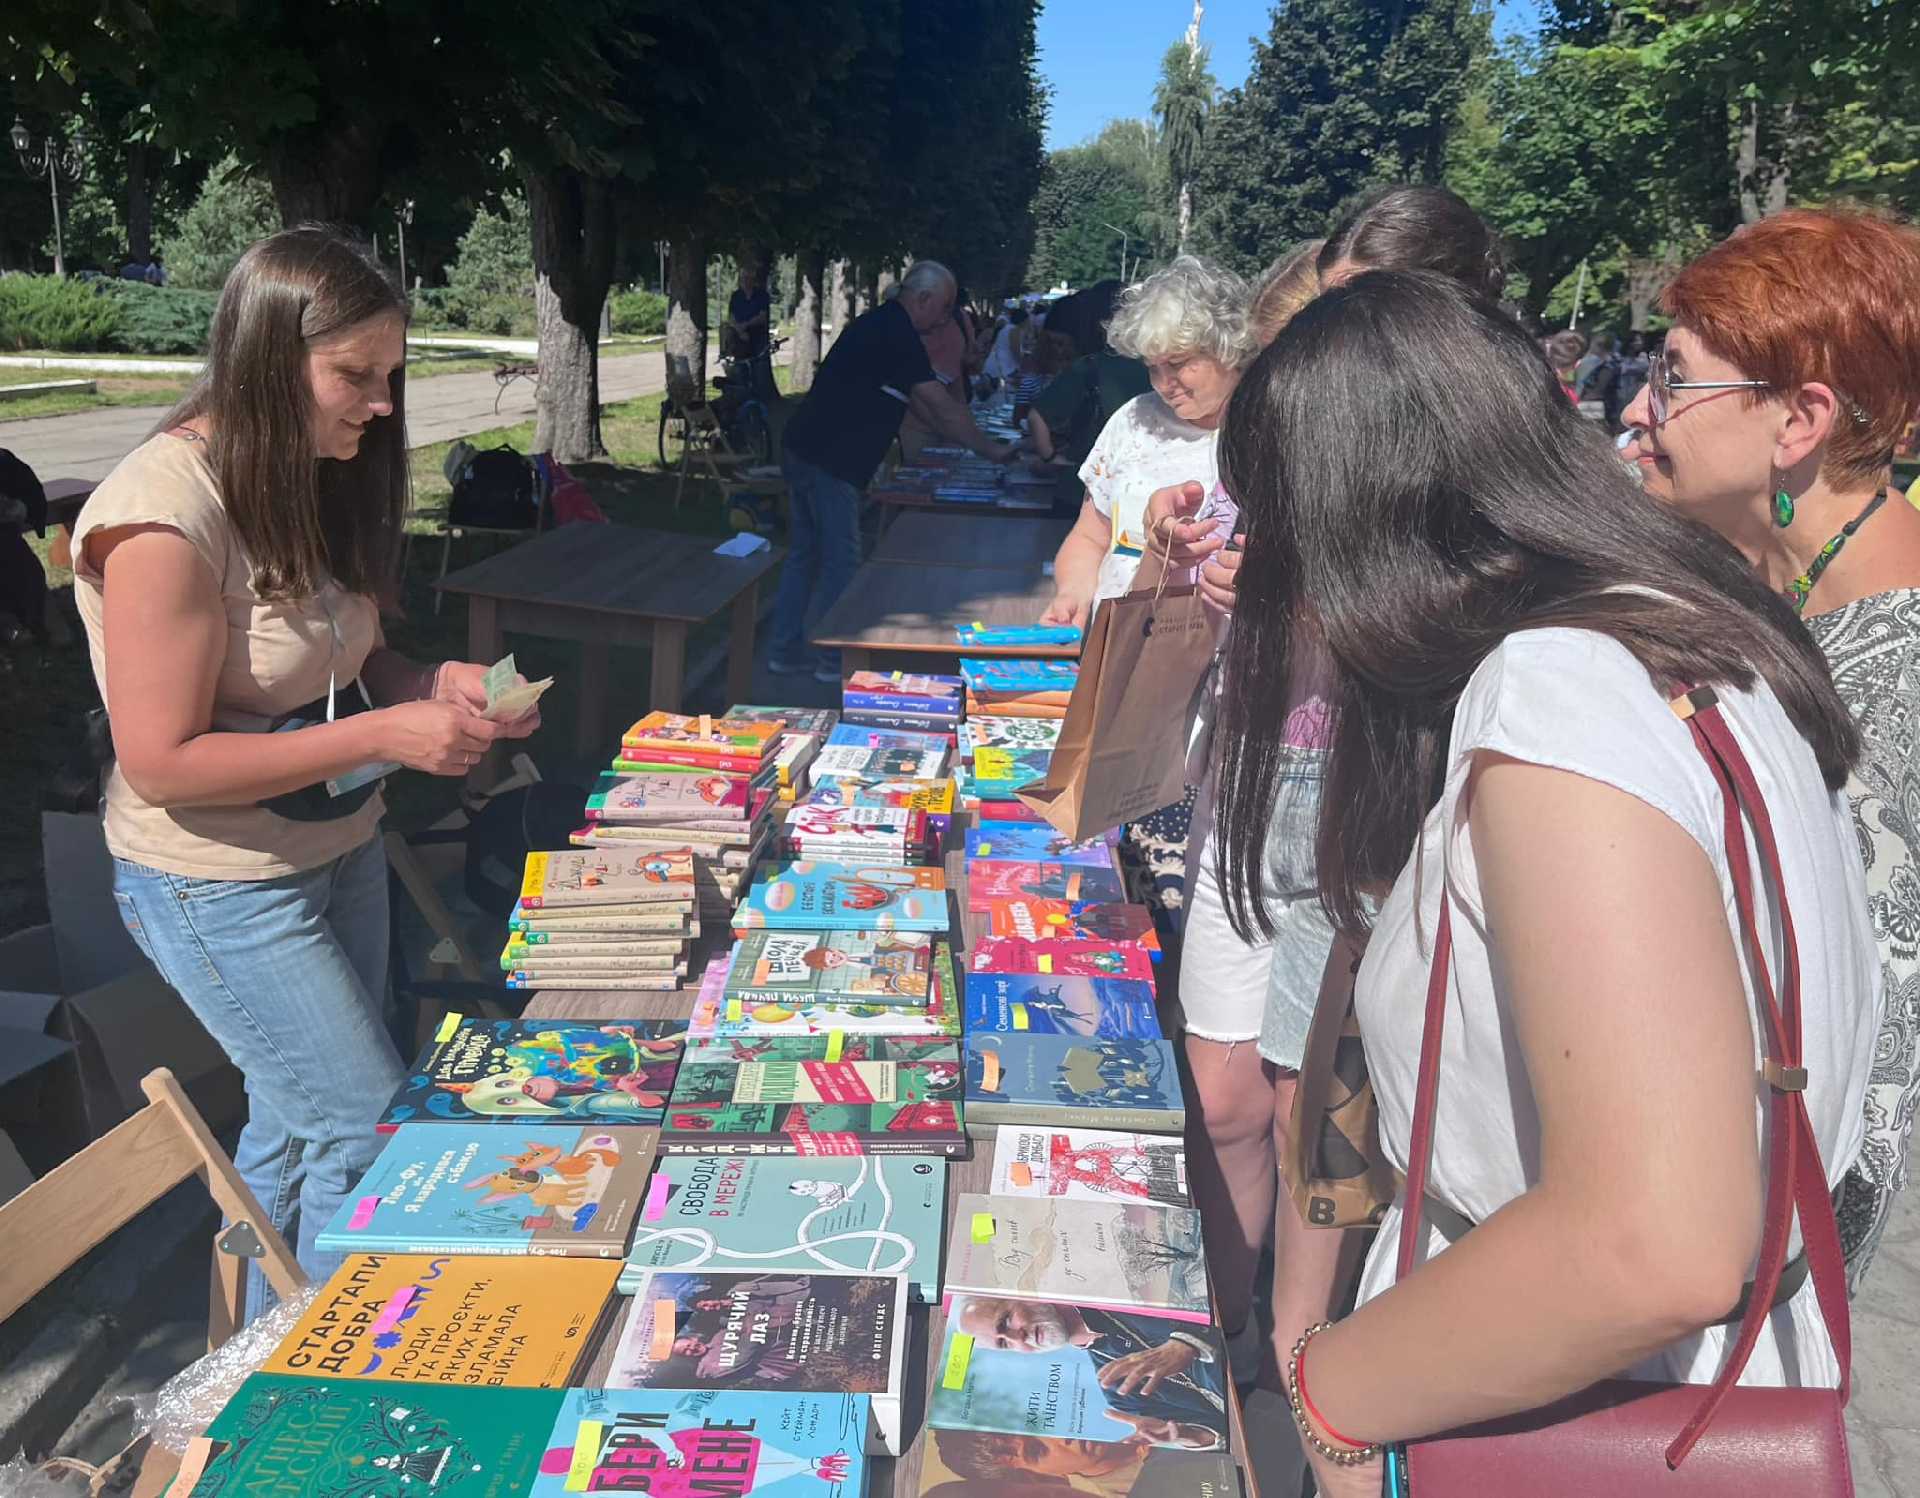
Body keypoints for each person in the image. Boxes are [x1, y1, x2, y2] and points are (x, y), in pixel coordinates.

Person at [1215, 268, 1877, 1497]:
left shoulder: (1559, 691)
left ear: (1362, 524)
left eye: (1286, 534)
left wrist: (1332, 1390)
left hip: (1554, 1408)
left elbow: (1651, 1242)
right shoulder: (1702, 631)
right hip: (1708, 1380)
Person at [70, 226, 540, 1316]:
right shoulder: (163, 517)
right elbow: (164, 760)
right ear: (269, 358)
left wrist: (431, 683)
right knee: (368, 1130)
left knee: (292, 1118)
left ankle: (244, 1368)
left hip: (333, 849)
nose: (380, 405)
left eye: (390, 377)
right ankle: (327, 1384)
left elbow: (347, 652)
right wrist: (384, 738)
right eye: (356, 376)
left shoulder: (304, 471)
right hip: (217, 883)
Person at [1135, 189, 1508, 1445]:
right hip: (1249, 781)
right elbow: (1166, 628)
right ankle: (1232, 1334)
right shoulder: (1287, 449)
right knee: (1229, 1091)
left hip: (1355, 794)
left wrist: (1288, 596)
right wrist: (1175, 562)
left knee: (1314, 1116)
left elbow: (1426, 650)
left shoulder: (1469, 465)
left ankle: (1295, 1380)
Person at [1621, 207, 1920, 1292]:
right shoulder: (1773, 577)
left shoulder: (1901, 666)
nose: (1636, 408)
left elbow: (1876, 1038)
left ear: (1799, 422)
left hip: (1759, 1241)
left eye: (1673, 379)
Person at [773, 259, 1014, 682]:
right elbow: (938, 406)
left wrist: (969, 438)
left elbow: (927, 406)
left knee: (806, 555)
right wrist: (992, 450)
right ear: (922, 299)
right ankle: (834, 661)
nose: (944, 321)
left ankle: (784, 650)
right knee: (840, 561)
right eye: (943, 310)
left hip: (806, 448)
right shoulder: (896, 333)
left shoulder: (884, 326)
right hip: (830, 460)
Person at [951, 1295, 1229, 1450]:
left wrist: (1188, 1344)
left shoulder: (1118, 1291)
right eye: (1004, 1343)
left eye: (1006, 1320)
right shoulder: (1118, 1393)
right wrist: (1186, 1435)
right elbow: (1224, 1428)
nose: (1018, 1336)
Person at [1024, 280, 1148, 515]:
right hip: (1137, 492)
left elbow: (1036, 417)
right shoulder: (1157, 367)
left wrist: (1050, 458)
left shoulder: (1090, 367)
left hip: (1080, 490)